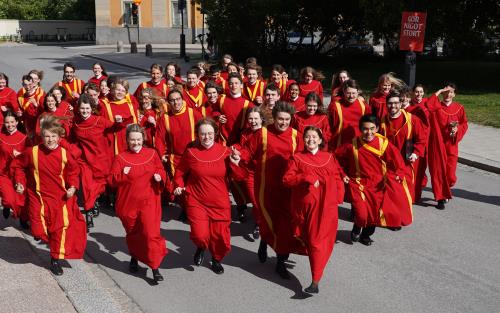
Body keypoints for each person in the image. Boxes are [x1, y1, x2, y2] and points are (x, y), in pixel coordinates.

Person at [232, 101, 303, 279]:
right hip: (265, 187)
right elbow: (248, 153)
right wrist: (238, 157)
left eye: (287, 119)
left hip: (288, 189)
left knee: (286, 226)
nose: (284, 122)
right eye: (280, 119)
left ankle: (280, 261)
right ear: (274, 118)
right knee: (269, 220)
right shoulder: (262, 133)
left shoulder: (296, 136)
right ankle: (265, 240)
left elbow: (303, 159)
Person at [13, 115, 86, 275]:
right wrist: (20, 182)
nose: (50, 139)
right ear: (41, 136)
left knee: (58, 230)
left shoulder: (65, 154)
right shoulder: (32, 152)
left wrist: (73, 187)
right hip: (37, 197)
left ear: (59, 137)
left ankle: (54, 260)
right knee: (38, 231)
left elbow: (74, 171)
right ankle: (46, 240)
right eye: (46, 136)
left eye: (53, 136)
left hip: (59, 199)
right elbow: (18, 166)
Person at [173, 118, 242, 274]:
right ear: (197, 135)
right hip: (196, 200)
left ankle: (216, 259)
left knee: (222, 240)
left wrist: (236, 163)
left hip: (220, 202)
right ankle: (202, 246)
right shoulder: (191, 152)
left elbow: (239, 177)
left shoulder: (225, 152)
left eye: (210, 133)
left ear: (215, 133)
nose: (206, 137)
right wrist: (178, 186)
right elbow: (180, 173)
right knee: (200, 235)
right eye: (202, 134)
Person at [283, 126, 343, 294]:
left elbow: (337, 177)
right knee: (312, 242)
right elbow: (287, 180)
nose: (310, 140)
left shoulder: (329, 157)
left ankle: (315, 281)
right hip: (306, 209)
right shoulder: (297, 158)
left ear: (320, 139)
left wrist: (338, 197)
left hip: (327, 208)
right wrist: (305, 177)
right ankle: (312, 276)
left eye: (314, 137)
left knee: (319, 243)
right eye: (307, 137)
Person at [336, 115, 413, 246]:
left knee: (374, 215)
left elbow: (398, 162)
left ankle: (366, 235)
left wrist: (398, 174)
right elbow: (335, 158)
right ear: (360, 129)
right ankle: (357, 226)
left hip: (379, 185)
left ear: (377, 128)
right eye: (365, 129)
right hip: (358, 183)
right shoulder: (352, 145)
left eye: (372, 128)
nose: (369, 132)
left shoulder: (384, 144)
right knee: (361, 213)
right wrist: (342, 174)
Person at [110, 124, 167, 283]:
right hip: (128, 204)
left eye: (138, 139)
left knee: (150, 234)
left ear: (143, 139)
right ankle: (134, 256)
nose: (135, 143)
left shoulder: (152, 153)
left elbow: (161, 170)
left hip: (149, 201)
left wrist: (159, 177)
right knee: (134, 234)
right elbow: (111, 181)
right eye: (132, 140)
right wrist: (123, 175)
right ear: (127, 140)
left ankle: (154, 268)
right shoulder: (120, 158)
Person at [69, 94, 123, 229]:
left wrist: (118, 121)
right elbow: (72, 140)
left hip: (101, 159)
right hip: (85, 160)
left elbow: (115, 128)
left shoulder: (100, 121)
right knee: (87, 186)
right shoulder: (75, 123)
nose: (84, 111)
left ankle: (94, 203)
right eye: (82, 108)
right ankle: (89, 210)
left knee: (100, 186)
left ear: (92, 108)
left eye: (87, 108)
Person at [426, 84, 468, 210]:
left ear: (454, 94)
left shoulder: (459, 108)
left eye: (451, 92)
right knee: (438, 172)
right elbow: (429, 104)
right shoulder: (437, 107)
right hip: (438, 145)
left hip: (451, 145)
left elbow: (464, 123)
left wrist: (457, 130)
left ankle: (447, 188)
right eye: (446, 92)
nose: (448, 94)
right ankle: (440, 198)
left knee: (450, 175)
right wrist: (438, 91)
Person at [379, 90, 426, 202]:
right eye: (390, 103)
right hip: (390, 162)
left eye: (396, 103)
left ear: (401, 104)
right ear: (386, 105)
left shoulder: (412, 120)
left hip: (406, 161)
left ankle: (404, 216)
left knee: (406, 191)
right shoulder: (382, 122)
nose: (393, 106)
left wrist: (415, 153)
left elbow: (421, 139)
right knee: (390, 190)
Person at [155, 89, 202, 201]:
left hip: (193, 154)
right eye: (172, 100)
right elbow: (159, 139)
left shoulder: (193, 113)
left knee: (194, 182)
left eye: (178, 99)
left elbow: (204, 131)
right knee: (178, 183)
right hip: (175, 157)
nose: (176, 103)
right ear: (168, 102)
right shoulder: (164, 118)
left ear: (182, 99)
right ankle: (185, 208)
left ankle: (195, 206)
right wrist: (161, 154)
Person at [0, 110, 29, 228]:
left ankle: (23, 218)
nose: (10, 125)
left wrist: (21, 155)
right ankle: (6, 205)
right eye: (7, 123)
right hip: (3, 173)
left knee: (21, 199)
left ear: (17, 122)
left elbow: (29, 156)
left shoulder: (24, 138)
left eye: (12, 122)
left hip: (19, 173)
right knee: (9, 199)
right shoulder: (1, 137)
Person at [100, 78, 139, 156]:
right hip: (110, 142)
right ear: (113, 90)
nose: (120, 92)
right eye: (118, 90)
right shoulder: (103, 104)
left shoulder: (131, 106)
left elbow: (135, 125)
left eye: (123, 91)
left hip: (127, 142)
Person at [328, 80, 370, 150]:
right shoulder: (335, 106)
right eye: (348, 93)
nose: (351, 96)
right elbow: (328, 127)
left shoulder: (364, 106)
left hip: (359, 145)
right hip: (339, 145)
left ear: (358, 92)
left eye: (353, 93)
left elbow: (369, 125)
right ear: (344, 92)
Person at [213, 73, 253, 145]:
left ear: (241, 85)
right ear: (228, 85)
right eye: (231, 83)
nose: (233, 86)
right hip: (223, 138)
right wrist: (218, 116)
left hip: (239, 139)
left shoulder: (248, 104)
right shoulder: (221, 99)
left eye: (236, 83)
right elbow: (214, 111)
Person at [17, 74, 46, 140]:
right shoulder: (21, 97)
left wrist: (36, 105)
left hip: (39, 128)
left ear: (33, 84)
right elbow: (20, 114)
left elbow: (46, 112)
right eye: (25, 85)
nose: (28, 87)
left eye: (30, 84)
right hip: (27, 129)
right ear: (22, 85)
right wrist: (19, 115)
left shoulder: (40, 95)